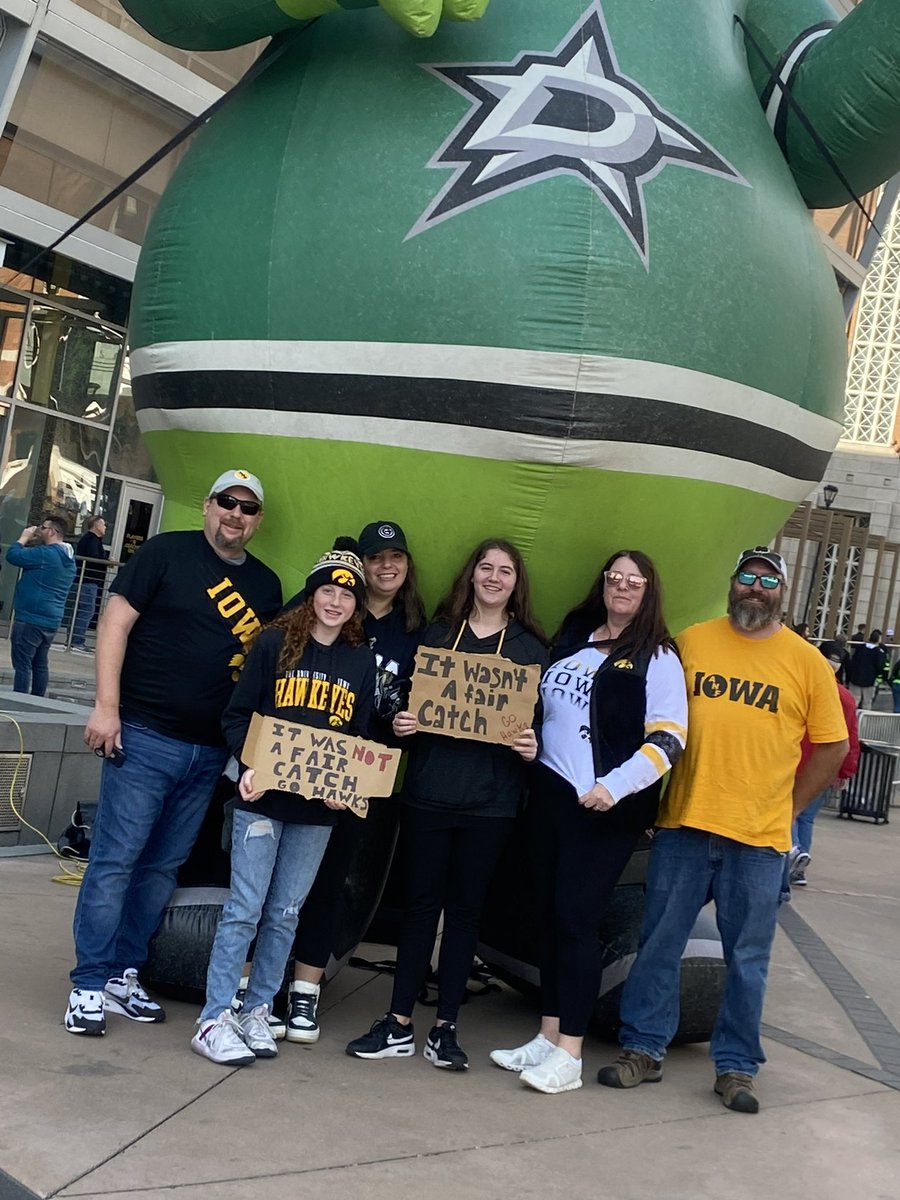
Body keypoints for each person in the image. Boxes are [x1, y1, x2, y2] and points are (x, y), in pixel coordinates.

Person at [597, 546, 848, 1114]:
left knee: (748, 957)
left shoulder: (805, 661)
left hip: (758, 840)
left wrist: (789, 810)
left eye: (768, 580)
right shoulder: (691, 641)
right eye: (747, 577)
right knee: (658, 943)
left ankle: (736, 1067)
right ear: (731, 583)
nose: (755, 587)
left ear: (781, 591)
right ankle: (644, 1048)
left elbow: (833, 746)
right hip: (685, 824)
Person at [65, 470, 282, 1037]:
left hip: (208, 753)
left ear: (258, 521)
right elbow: (114, 624)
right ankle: (88, 982)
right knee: (116, 862)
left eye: (248, 508)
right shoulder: (165, 552)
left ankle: (122, 972)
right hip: (143, 737)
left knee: (161, 869)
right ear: (208, 505)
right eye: (228, 503)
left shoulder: (266, 586)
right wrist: (105, 706)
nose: (236, 515)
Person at [490, 551, 688, 1094]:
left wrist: (613, 787)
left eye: (634, 582)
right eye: (614, 578)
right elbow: (547, 714)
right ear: (602, 584)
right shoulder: (574, 638)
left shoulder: (659, 656)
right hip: (549, 795)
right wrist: (528, 745)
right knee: (550, 920)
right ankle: (549, 1035)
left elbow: (670, 740)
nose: (622, 587)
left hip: (601, 808)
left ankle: (570, 1053)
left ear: (649, 592)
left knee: (576, 924)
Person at [346, 538, 548, 1071]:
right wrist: (402, 725)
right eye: (486, 567)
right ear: (471, 574)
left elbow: (538, 733)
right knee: (419, 910)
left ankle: (446, 1028)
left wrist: (532, 747)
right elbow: (404, 710)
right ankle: (398, 1023)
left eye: (505, 570)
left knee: (464, 917)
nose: (494, 577)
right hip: (429, 796)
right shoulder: (436, 635)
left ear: (515, 583)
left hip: (491, 805)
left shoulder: (530, 649)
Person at [239, 520, 427, 1045]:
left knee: (329, 885)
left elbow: (387, 714)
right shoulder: (321, 615)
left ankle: (305, 992)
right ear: (357, 569)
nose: (386, 566)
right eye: (375, 558)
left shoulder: (415, 630)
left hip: (353, 780)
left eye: (396, 557)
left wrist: (402, 725)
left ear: (407, 567)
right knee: (274, 890)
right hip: (287, 774)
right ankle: (262, 991)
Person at [192, 540, 376, 1065]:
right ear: (312, 594)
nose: (336, 601)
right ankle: (213, 1018)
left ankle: (256, 1009)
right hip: (262, 799)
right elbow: (236, 715)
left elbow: (357, 735)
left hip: (316, 812)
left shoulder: (361, 661)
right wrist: (247, 766)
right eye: (327, 589)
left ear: (356, 605)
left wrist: (349, 784)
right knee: (244, 910)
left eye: (347, 594)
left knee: (285, 913)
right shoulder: (274, 645)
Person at [787, 647, 860, 889]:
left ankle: (793, 851)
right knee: (807, 819)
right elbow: (850, 737)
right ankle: (799, 865)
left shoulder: (805, 688)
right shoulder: (846, 698)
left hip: (797, 762)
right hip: (826, 766)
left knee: (790, 813)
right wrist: (845, 771)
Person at [5, 515, 76, 695]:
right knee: (40, 663)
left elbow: (13, 556)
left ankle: (20, 701)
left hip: (31, 616)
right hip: (51, 618)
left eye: (43, 528)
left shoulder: (46, 554)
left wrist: (24, 538)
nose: (39, 530)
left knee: (23, 663)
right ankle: (38, 701)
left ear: (53, 531)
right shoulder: (69, 559)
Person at [71, 514, 109, 653]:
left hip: (83, 580)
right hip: (87, 581)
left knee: (81, 610)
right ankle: (77, 641)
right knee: (86, 611)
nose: (105, 528)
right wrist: (106, 562)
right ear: (97, 526)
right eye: (103, 524)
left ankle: (73, 639)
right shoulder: (92, 541)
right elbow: (93, 560)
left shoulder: (90, 540)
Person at [847, 629, 887, 709]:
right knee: (867, 703)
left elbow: (852, 663)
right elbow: (880, 667)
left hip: (855, 679)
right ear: (878, 639)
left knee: (853, 702)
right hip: (869, 681)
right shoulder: (878, 652)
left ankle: (851, 720)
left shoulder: (860, 648)